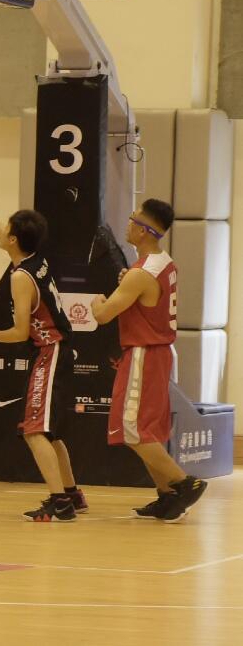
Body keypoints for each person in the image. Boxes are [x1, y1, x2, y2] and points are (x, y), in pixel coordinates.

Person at [0, 143, 87, 522]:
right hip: (58, 351)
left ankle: (59, 503)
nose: (1, 227)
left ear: (12, 240)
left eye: (6, 228)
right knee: (51, 433)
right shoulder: (32, 256)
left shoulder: (21, 277)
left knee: (34, 431)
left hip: (50, 351)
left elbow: (21, 332)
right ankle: (72, 494)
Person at [91, 199, 208, 523]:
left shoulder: (141, 274)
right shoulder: (163, 263)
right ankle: (167, 495)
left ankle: (185, 483)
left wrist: (97, 301)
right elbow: (146, 297)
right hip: (158, 353)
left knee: (132, 431)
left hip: (144, 353)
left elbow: (103, 315)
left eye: (132, 219)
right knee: (146, 430)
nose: (128, 223)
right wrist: (128, 283)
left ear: (143, 230)